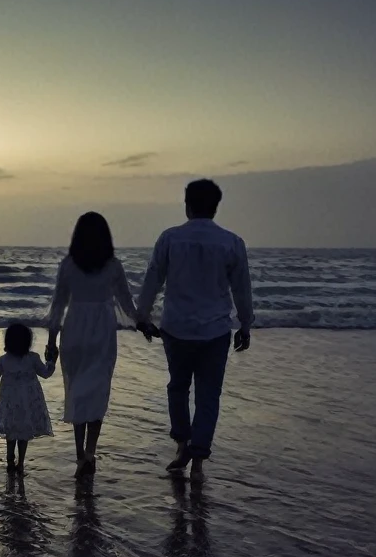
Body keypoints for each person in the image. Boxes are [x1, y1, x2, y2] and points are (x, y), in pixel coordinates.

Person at [136, 179, 253, 478]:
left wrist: (142, 316)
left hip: (176, 327)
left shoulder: (170, 238)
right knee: (208, 394)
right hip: (215, 330)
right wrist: (246, 323)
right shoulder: (231, 242)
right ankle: (198, 461)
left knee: (177, 387)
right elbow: (241, 289)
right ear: (215, 207)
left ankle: (181, 444)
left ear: (187, 205)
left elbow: (153, 279)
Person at [45, 212, 140, 477]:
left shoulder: (68, 265)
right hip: (102, 333)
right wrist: (144, 323)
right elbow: (127, 305)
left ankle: (79, 455)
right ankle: (90, 452)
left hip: (75, 330)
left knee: (77, 391)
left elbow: (57, 307)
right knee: (97, 391)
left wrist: (52, 342)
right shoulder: (113, 266)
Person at [0, 323, 58, 475]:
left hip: (10, 403)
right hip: (28, 403)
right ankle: (20, 463)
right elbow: (46, 373)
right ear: (27, 341)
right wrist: (52, 361)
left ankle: (10, 459)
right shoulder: (33, 358)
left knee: (11, 432)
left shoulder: (4, 360)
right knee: (23, 434)